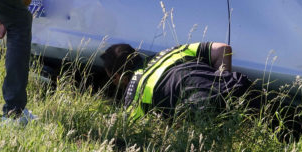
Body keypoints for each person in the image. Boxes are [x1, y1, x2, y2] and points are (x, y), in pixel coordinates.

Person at [100, 42, 259, 121]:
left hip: (204, 110)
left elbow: (134, 132)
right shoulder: (171, 51)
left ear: (119, 77)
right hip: (239, 86)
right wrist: (220, 83)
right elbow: (223, 48)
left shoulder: (134, 90)